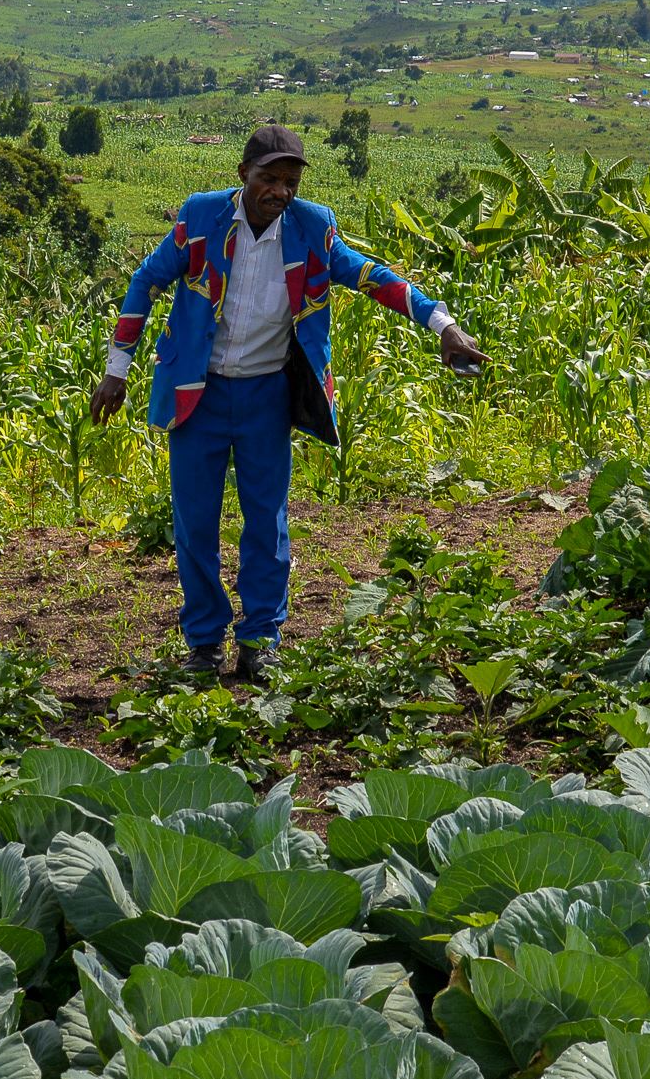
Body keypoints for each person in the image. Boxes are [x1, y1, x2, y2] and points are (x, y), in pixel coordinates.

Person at [89, 125, 486, 682]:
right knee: (195, 524)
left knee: (267, 523)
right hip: (196, 393)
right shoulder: (200, 218)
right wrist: (116, 369)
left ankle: (260, 641)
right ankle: (204, 643)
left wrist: (442, 325)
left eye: (289, 182)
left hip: (266, 395)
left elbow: (375, 278)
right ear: (242, 176)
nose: (278, 191)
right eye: (267, 179)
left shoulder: (312, 229)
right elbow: (146, 281)